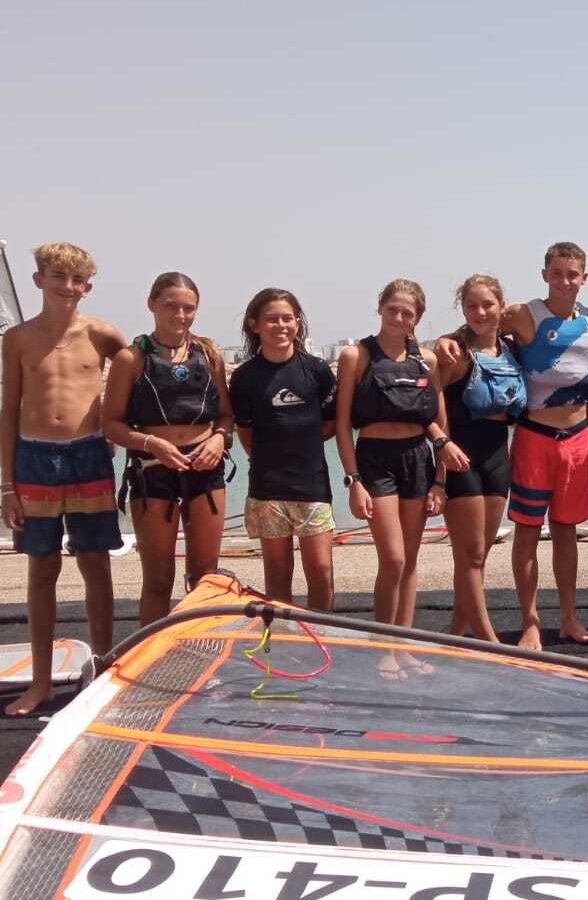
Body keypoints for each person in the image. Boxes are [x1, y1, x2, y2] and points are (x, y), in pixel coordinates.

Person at [435, 242, 588, 648]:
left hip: (577, 439)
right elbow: (480, 323)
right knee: (527, 531)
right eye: (557, 273)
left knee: (566, 530)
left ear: (584, 277)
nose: (565, 281)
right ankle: (530, 622)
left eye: (572, 274)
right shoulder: (524, 315)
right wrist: (443, 340)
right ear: (545, 275)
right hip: (535, 437)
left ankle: (569, 618)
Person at [0, 242, 123, 716]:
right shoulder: (18, 338)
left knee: (96, 564)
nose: (67, 287)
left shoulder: (103, 334)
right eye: (58, 276)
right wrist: (7, 485)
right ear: (39, 280)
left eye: (77, 280)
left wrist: (116, 427)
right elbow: (9, 410)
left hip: (88, 455)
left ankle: (104, 674)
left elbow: (139, 379)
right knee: (42, 568)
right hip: (34, 459)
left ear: (87, 287)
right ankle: (41, 683)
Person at [334, 279, 467, 648]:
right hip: (374, 459)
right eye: (392, 309)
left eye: (407, 313)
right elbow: (343, 425)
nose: (398, 317)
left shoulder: (427, 360)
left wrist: (440, 481)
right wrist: (353, 480)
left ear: (417, 318)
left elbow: (440, 424)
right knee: (392, 558)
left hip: (417, 459)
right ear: (380, 308)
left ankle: (401, 645)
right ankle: (382, 644)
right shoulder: (356, 356)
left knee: (409, 560)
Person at [103, 272, 236, 627]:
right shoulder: (131, 358)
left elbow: (226, 415)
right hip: (152, 471)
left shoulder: (209, 354)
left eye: (188, 308)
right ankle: (152, 649)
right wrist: (152, 443)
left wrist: (219, 438)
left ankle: (202, 645)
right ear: (152, 305)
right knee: (159, 579)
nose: (180, 315)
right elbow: (111, 424)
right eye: (171, 306)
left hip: (204, 469)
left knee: (205, 578)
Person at [229, 288, 336, 609]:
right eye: (272, 319)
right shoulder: (245, 376)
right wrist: (271, 456)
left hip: (312, 485)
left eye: (287, 318)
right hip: (268, 488)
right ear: (255, 325)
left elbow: (331, 424)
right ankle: (282, 636)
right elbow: (245, 432)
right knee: (277, 573)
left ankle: (321, 633)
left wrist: (301, 445)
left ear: (298, 322)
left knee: (321, 570)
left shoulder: (317, 371)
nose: (281, 325)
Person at [433, 274, 524, 639]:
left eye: (487, 304)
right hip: (462, 457)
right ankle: (490, 642)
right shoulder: (455, 352)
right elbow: (430, 405)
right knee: (469, 556)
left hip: (498, 456)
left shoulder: (512, 349)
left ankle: (456, 634)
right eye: (472, 306)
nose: (480, 312)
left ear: (501, 306)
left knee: (479, 555)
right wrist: (441, 452)